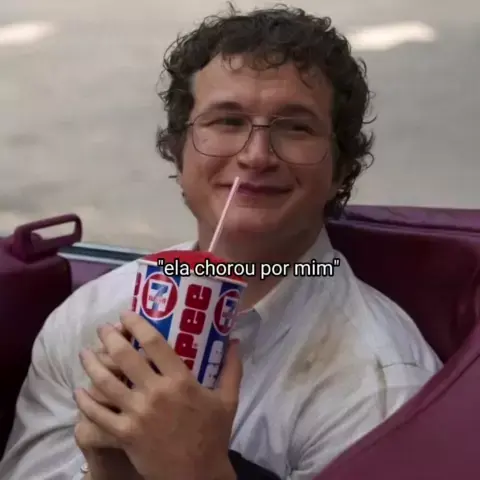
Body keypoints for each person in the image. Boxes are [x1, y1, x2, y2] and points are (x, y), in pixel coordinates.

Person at [0, 5, 442, 480]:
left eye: (295, 127)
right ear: (179, 151)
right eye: (227, 121)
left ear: (340, 169)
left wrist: (201, 471)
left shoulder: (379, 385)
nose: (256, 156)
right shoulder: (90, 320)